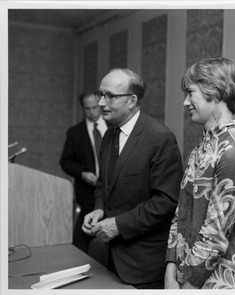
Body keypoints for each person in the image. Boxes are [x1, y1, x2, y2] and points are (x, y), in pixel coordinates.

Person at [82, 68, 183, 289]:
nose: (101, 103)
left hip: (143, 266)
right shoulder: (109, 135)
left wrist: (119, 224)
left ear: (132, 100)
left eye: (110, 96)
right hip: (109, 259)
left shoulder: (160, 138)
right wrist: (99, 208)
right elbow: (103, 183)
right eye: (100, 94)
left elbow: (166, 201)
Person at [165, 58, 235, 289]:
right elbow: (180, 215)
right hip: (185, 277)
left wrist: (186, 288)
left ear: (215, 92)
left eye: (190, 93)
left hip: (219, 282)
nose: (185, 102)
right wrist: (170, 271)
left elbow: (214, 238)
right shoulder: (201, 149)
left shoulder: (234, 153)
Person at [60, 92, 107, 252]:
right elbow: (65, 162)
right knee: (87, 235)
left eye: (95, 107)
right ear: (83, 108)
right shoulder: (75, 132)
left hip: (110, 190)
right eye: (87, 109)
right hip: (86, 192)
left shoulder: (113, 127)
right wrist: (83, 174)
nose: (92, 112)